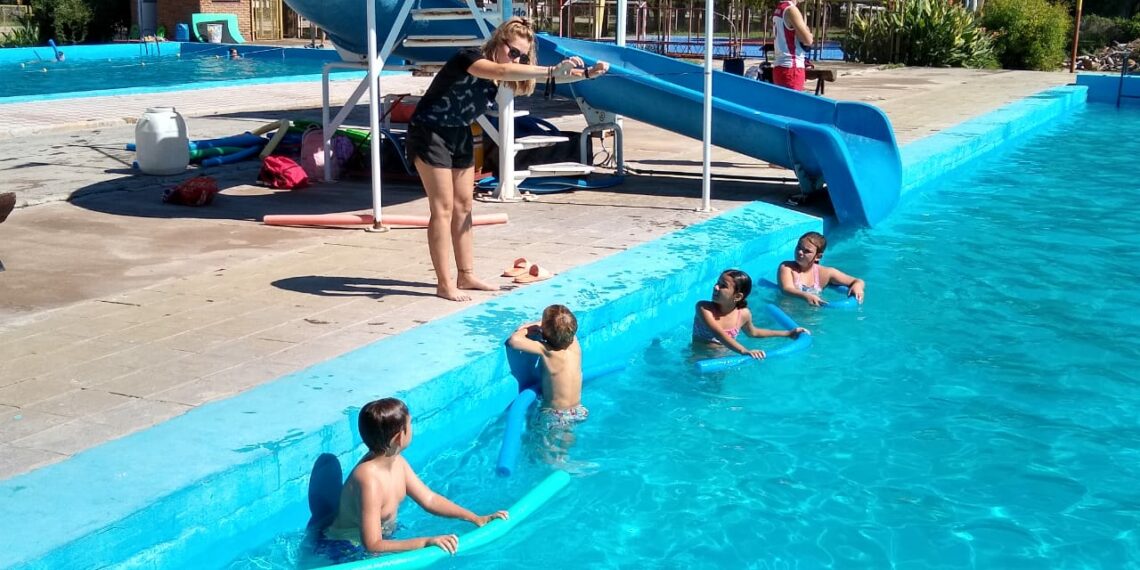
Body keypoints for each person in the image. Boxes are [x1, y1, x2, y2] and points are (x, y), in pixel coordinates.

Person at [406, 17, 609, 301]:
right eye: (513, 51)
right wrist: (552, 68)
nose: (516, 59)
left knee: (464, 206)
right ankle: (444, 283)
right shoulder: (469, 58)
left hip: (460, 132)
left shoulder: (501, 73)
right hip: (429, 132)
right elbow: (501, 68)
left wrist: (586, 74)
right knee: (442, 209)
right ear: (498, 41)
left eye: (522, 56)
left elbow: (535, 76)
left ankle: (465, 275)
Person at [323, 398, 508, 558]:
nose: (412, 429)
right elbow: (372, 545)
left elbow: (429, 499)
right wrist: (426, 541)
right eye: (410, 425)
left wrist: (476, 518)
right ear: (398, 438)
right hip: (347, 551)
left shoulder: (397, 462)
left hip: (380, 541)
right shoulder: (368, 479)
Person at [694, 269, 808, 358]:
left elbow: (753, 332)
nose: (716, 287)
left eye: (723, 286)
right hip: (698, 357)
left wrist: (788, 333)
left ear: (737, 296)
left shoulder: (743, 314)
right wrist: (744, 350)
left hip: (725, 358)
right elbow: (719, 334)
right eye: (717, 283)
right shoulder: (704, 308)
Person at [507, 304, 585, 429]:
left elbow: (513, 341)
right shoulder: (575, 343)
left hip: (556, 415)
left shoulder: (548, 351)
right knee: (567, 440)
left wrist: (527, 328)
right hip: (577, 410)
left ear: (544, 331)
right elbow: (562, 325)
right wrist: (545, 325)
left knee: (548, 447)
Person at [776, 231, 865, 306]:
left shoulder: (826, 273)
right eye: (799, 247)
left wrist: (857, 286)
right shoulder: (786, 267)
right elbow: (787, 289)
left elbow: (857, 281)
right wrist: (806, 296)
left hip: (812, 314)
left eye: (806, 251)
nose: (800, 252)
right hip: (788, 309)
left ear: (818, 257)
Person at [771, 0, 813, 91]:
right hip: (792, 68)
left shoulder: (780, 8)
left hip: (780, 66)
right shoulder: (791, 10)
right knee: (793, 104)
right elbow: (808, 40)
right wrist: (809, 33)